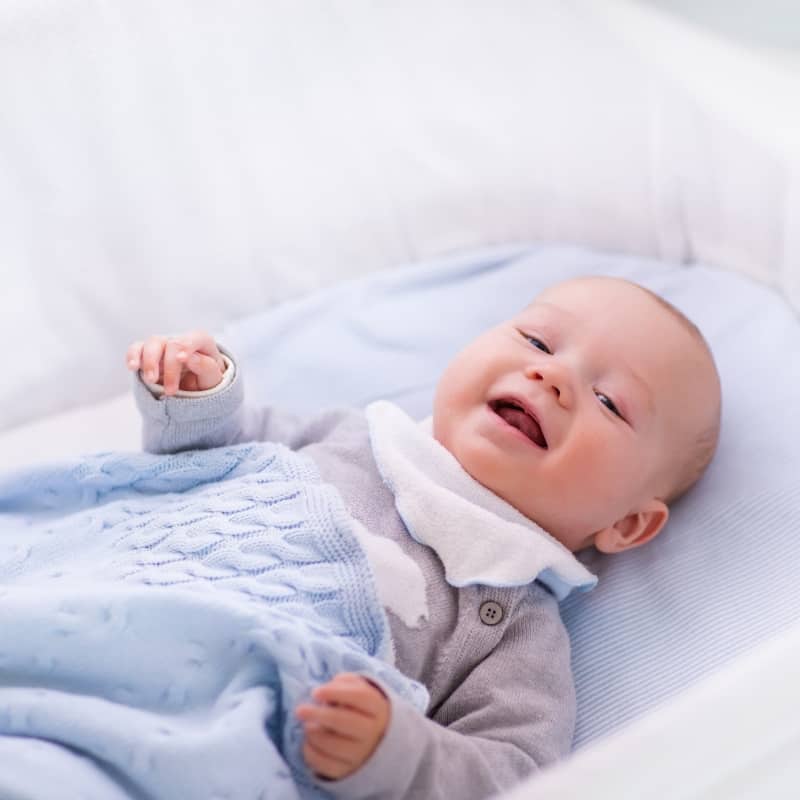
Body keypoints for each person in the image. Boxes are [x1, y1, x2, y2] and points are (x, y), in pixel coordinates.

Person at [126, 276, 722, 799]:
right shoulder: (350, 436)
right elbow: (215, 457)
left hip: (207, 724)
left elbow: (512, 771)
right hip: (128, 598)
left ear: (626, 525)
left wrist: (397, 752)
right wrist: (197, 394)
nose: (553, 374)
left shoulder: (512, 627)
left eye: (609, 403)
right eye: (538, 341)